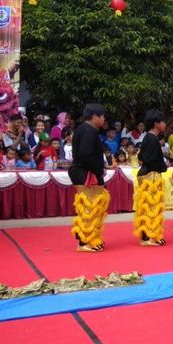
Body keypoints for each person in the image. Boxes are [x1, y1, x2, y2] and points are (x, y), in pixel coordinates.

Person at [68, 104, 109, 252]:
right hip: (86, 173)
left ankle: (90, 238)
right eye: (102, 116)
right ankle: (84, 242)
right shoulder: (89, 131)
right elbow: (86, 154)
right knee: (89, 208)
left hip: (83, 171)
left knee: (90, 207)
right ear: (94, 117)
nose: (104, 119)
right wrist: (99, 170)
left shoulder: (82, 129)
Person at [133, 109, 169, 247]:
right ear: (156, 124)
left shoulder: (148, 137)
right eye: (163, 122)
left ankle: (148, 235)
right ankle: (148, 236)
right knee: (151, 205)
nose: (165, 124)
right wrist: (163, 166)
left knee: (147, 206)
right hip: (150, 175)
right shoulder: (152, 138)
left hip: (148, 173)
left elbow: (142, 156)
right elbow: (149, 159)